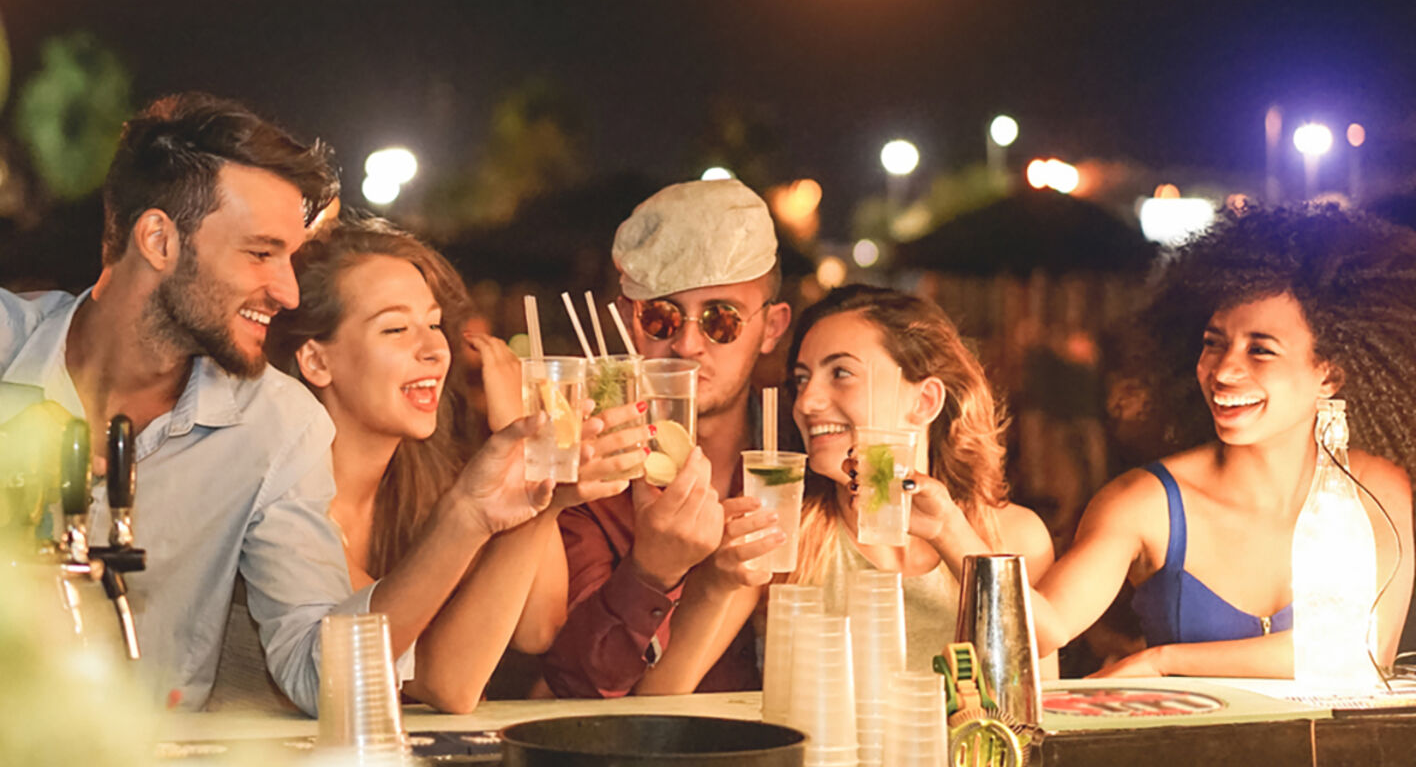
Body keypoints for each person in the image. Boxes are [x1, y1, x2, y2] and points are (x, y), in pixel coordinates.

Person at [0, 94, 533, 714]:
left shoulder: (278, 425)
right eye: (262, 254)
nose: (288, 292)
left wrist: (466, 515)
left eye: (290, 258)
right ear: (159, 241)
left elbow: (318, 672)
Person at [261, 217, 644, 711]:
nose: (433, 350)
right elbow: (444, 680)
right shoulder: (281, 502)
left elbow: (536, 628)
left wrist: (540, 482)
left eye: (435, 324)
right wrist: (486, 505)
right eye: (395, 329)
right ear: (316, 361)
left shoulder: (425, 483)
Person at [1030, 202, 1416, 677]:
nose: (1224, 371)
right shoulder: (1145, 504)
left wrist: (1164, 661)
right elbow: (1046, 628)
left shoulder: (1376, 491)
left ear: (1329, 376)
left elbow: (1361, 654)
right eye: (1214, 342)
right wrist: (954, 525)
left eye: (1261, 350)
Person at [541, 178, 792, 697]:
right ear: (630, 323)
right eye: (661, 317)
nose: (688, 343)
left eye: (722, 320)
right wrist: (650, 574)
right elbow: (575, 687)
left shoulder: (801, 455)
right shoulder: (589, 474)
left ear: (771, 327)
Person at [784, 284, 1055, 669]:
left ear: (925, 401)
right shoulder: (784, 539)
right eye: (801, 379)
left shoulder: (1015, 537)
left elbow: (1037, 679)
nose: (806, 402)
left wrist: (949, 532)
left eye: (841, 373)